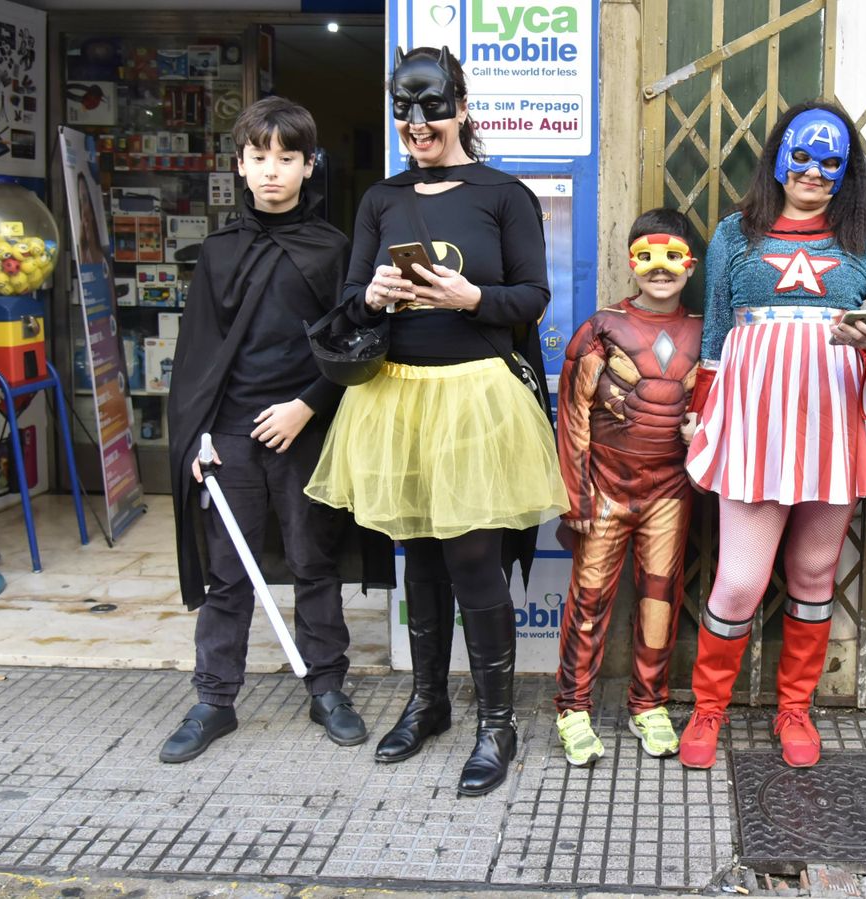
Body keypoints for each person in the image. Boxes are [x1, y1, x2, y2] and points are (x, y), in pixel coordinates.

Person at [304, 47, 568, 796]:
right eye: (404, 108)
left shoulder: (505, 194)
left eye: (430, 105)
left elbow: (532, 297)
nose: (416, 123)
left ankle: (497, 723)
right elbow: (350, 298)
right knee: (416, 558)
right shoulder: (381, 198)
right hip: (394, 396)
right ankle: (429, 702)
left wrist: (468, 297)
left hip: (475, 395)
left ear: (461, 105)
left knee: (474, 561)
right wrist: (377, 294)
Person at [679, 101, 866, 770]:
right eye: (802, 155)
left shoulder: (864, 237)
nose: (814, 170)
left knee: (815, 573)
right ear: (777, 157)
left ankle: (795, 707)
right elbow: (715, 335)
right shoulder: (735, 233)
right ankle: (709, 706)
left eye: (830, 160)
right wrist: (702, 415)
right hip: (756, 422)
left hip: (833, 419)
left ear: (848, 172)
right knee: (737, 580)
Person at [163, 97, 391, 764]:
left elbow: (355, 342)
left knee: (312, 561)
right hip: (229, 432)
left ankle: (327, 689)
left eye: (285, 158)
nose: (271, 171)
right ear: (239, 164)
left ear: (308, 165)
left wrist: (307, 406)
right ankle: (213, 699)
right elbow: (196, 352)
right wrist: (195, 436)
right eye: (258, 157)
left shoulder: (331, 249)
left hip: (302, 430)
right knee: (229, 571)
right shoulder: (217, 251)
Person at [551, 207, 703, 767]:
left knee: (660, 600)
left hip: (669, 490)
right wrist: (576, 495)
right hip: (605, 488)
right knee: (588, 601)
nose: (658, 268)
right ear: (630, 260)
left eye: (671, 256)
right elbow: (572, 415)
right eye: (646, 255)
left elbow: (714, 407)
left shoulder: (704, 333)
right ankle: (572, 706)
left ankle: (649, 704)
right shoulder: (601, 327)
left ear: (691, 263)